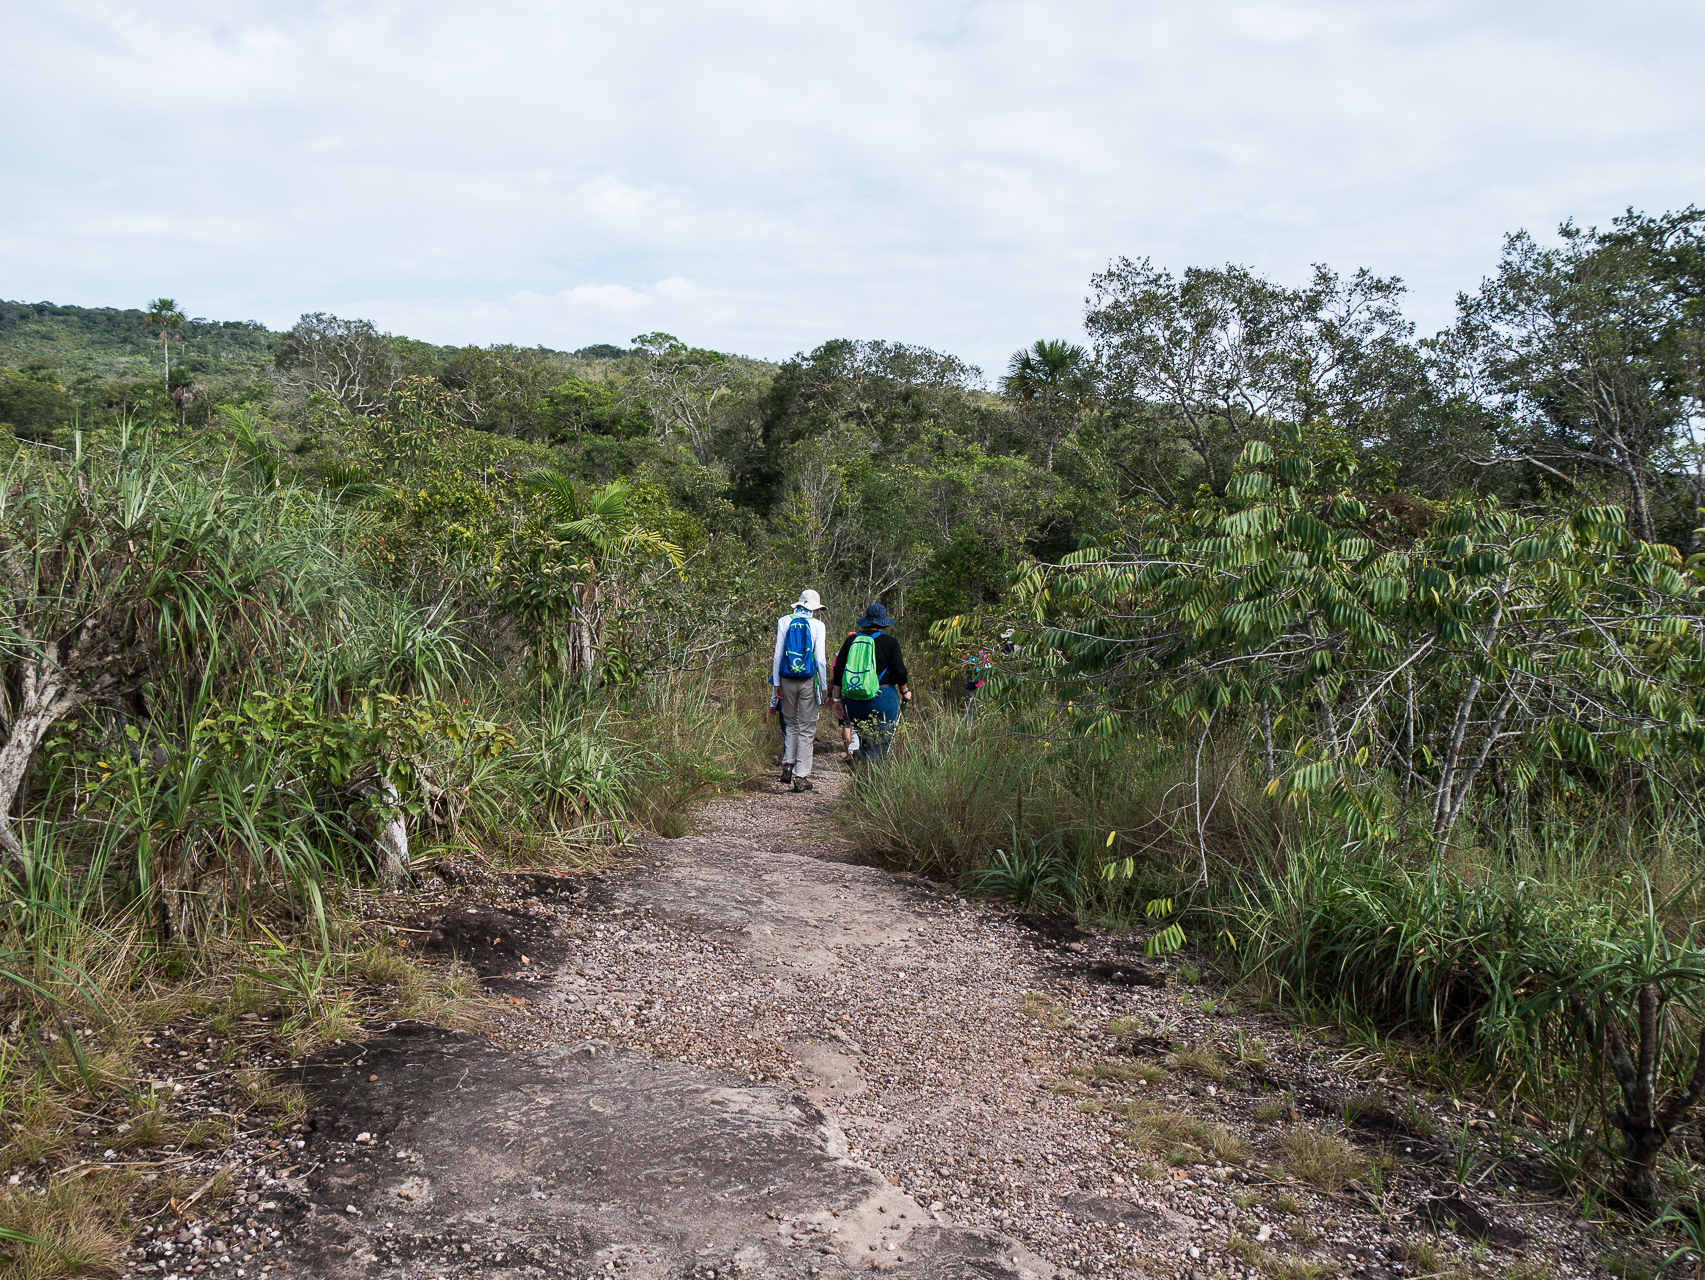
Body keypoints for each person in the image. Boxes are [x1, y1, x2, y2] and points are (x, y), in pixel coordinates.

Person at [830, 603, 911, 766]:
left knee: (864, 741)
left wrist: (837, 700)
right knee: (880, 745)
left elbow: (839, 670)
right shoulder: (890, 642)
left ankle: (863, 776)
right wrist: (905, 691)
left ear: (866, 621)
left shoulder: (852, 640)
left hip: (854, 700)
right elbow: (899, 671)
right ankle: (872, 781)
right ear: (883, 622)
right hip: (882, 698)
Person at [770, 588, 829, 792]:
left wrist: (776, 684)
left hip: (786, 678)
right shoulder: (818, 625)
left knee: (791, 723)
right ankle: (801, 775)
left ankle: (788, 765)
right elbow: (820, 660)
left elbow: (778, 655)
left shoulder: (784, 621)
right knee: (807, 727)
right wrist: (823, 688)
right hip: (808, 679)